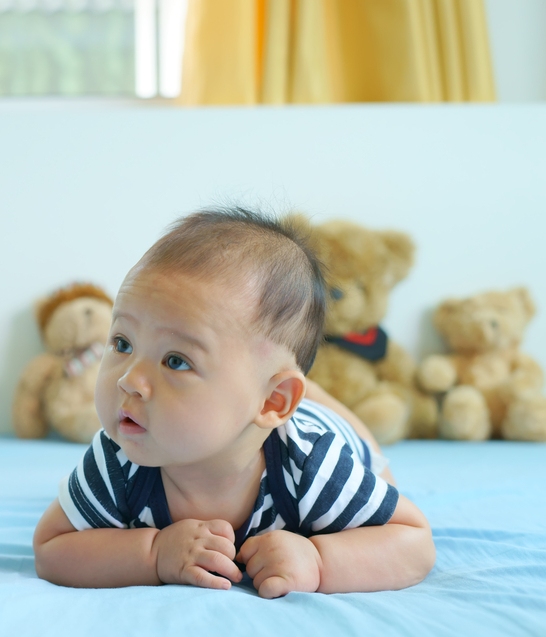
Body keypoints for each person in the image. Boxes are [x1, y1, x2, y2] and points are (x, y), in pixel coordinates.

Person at [32, 208, 436, 598]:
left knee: (374, 462)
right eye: (122, 343)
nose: (128, 380)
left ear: (272, 401)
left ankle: (315, 396)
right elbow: (51, 548)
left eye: (176, 361)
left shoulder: (313, 467)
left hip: (326, 433)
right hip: (270, 408)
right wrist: (152, 553)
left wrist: (318, 560)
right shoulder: (120, 458)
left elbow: (415, 543)